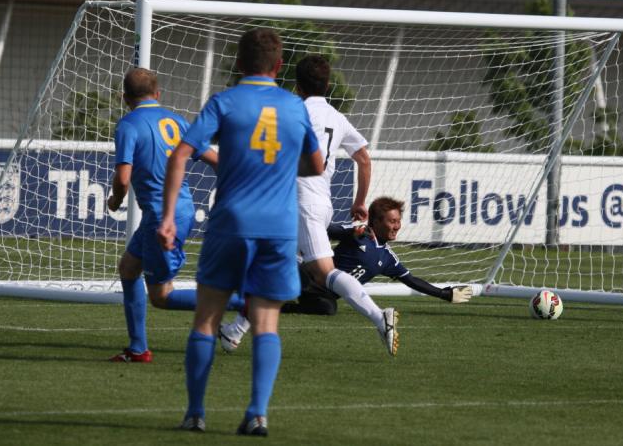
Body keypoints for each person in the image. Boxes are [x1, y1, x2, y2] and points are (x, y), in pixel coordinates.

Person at [157, 28, 323, 436]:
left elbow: (182, 152)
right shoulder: (295, 106)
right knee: (266, 323)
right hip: (279, 229)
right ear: (279, 67)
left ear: (237, 63)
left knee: (207, 319)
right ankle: (257, 414)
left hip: (230, 224)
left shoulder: (225, 101)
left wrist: (167, 217)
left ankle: (195, 413)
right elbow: (316, 166)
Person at [219, 54, 399, 357]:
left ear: (297, 84)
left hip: (298, 202)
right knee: (272, 263)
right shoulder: (337, 118)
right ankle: (235, 330)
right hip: (317, 201)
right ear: (327, 85)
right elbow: (364, 159)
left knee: (323, 272)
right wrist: (359, 202)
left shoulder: (293, 110)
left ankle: (379, 316)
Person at [219, 197, 472, 350]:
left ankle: (269, 311)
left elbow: (412, 280)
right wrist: (349, 231)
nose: (396, 226)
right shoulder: (359, 232)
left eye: (397, 221)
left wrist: (444, 294)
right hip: (307, 274)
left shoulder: (388, 258)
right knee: (276, 281)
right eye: (391, 221)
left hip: (321, 294)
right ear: (375, 221)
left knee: (327, 309)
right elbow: (325, 229)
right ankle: (239, 301)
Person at [106, 68, 219, 363]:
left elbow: (122, 178)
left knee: (161, 296)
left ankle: (243, 302)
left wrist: (115, 201)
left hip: (162, 217)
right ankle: (137, 348)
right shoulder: (177, 121)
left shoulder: (128, 125)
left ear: (124, 98)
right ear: (158, 94)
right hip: (174, 210)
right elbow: (215, 160)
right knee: (129, 269)